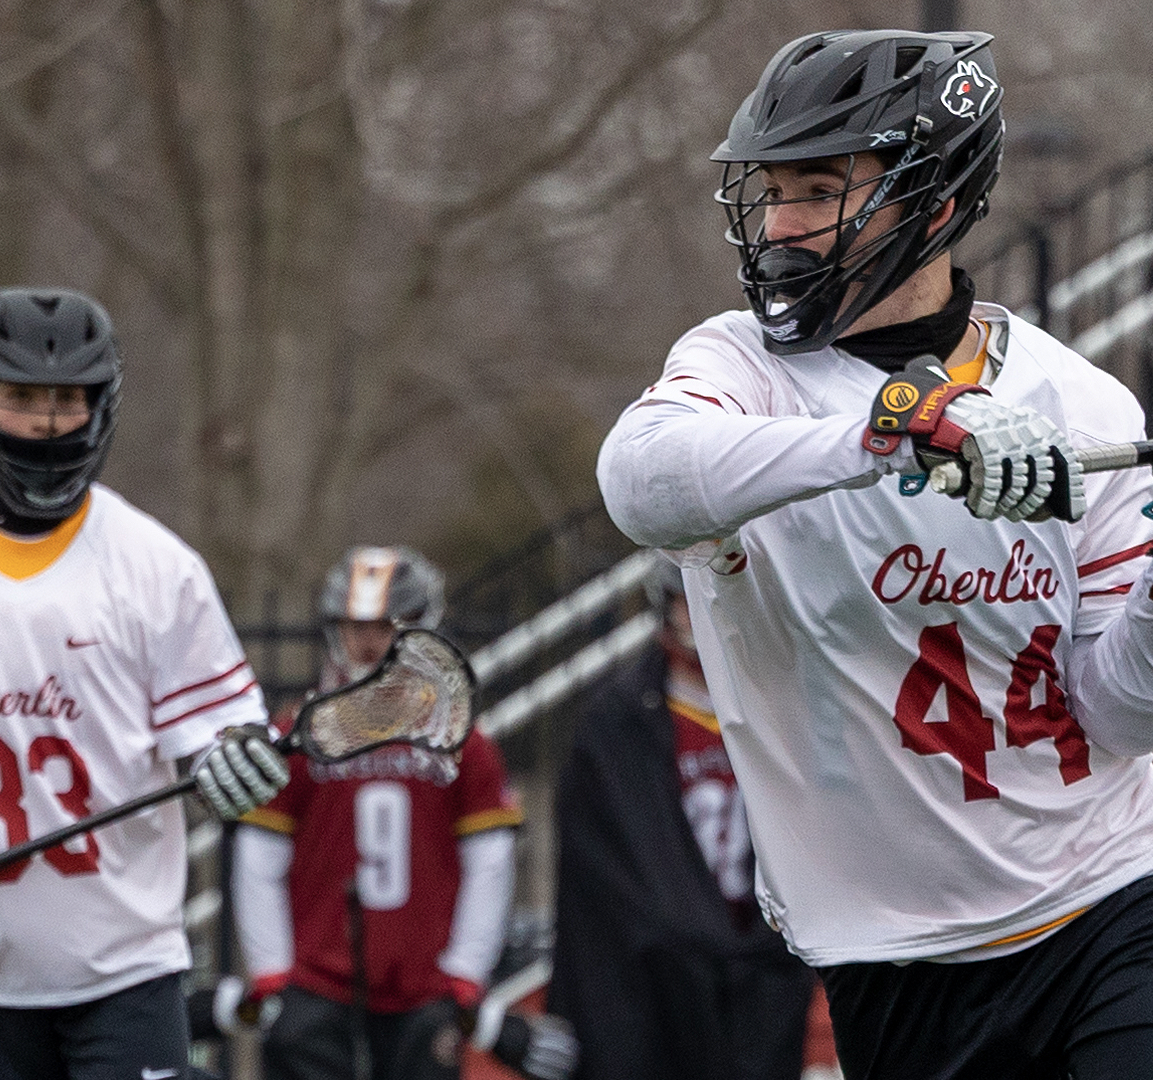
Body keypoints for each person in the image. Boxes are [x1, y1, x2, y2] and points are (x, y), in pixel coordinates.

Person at [596, 29, 1153, 1080]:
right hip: (896, 962)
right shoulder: (738, 367)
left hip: (1110, 906)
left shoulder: (1079, 401)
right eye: (771, 191)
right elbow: (638, 481)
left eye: (819, 188)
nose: (780, 225)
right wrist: (900, 419)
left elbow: (1126, 716)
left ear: (932, 196)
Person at [0, 287, 288, 1080]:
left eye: (67, 399)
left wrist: (234, 766)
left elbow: (223, 741)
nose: (47, 423)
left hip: (124, 976)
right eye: (21, 398)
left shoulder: (156, 569)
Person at [230, 545, 524, 1080]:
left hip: (423, 990)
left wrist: (463, 972)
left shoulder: (465, 742)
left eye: (387, 626)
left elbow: (491, 864)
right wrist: (275, 974)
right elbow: (258, 860)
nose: (368, 642)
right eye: (354, 626)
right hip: (318, 986)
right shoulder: (296, 734)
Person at [549, 565, 816, 1079]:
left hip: (761, 969)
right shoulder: (618, 717)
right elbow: (602, 872)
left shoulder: (777, 702)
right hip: (660, 981)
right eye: (685, 601)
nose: (699, 617)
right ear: (664, 607)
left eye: (710, 600)